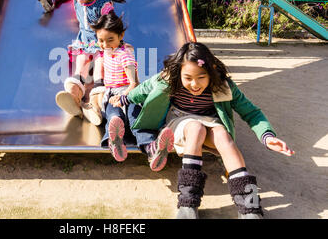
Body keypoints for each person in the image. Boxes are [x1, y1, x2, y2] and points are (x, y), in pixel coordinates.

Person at [112, 42, 294, 218]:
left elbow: (251, 112)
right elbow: (144, 88)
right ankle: (188, 204)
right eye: (188, 78)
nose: (194, 84)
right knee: (195, 128)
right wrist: (124, 99)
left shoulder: (223, 86)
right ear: (179, 72)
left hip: (210, 121)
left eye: (201, 77)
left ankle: (249, 207)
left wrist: (267, 136)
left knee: (223, 135)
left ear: (211, 71)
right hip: (179, 120)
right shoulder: (168, 79)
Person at [91, 12, 175, 171]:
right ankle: (116, 141)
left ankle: (152, 149)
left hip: (128, 94)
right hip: (111, 94)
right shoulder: (109, 51)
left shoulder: (125, 55)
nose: (105, 44)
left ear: (121, 35)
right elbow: (102, 47)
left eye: (110, 40)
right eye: (101, 40)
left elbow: (133, 83)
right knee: (113, 116)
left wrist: (123, 98)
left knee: (135, 120)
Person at [56, 0, 125, 126]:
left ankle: (95, 104)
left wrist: (117, 44)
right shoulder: (76, 3)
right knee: (81, 64)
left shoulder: (103, 5)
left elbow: (112, 26)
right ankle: (73, 97)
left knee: (100, 66)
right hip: (84, 44)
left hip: (102, 43)